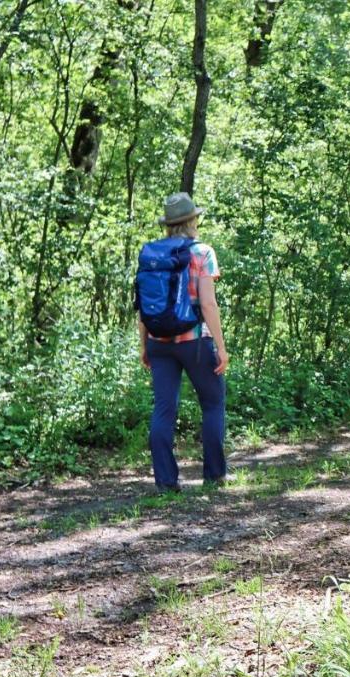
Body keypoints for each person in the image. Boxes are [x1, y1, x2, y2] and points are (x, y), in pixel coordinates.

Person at [138, 192, 230, 493]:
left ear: (168, 224)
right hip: (194, 342)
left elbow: (144, 306)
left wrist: (144, 346)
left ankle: (166, 483)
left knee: (164, 408)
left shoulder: (150, 254)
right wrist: (221, 347)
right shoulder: (202, 252)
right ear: (192, 220)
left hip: (158, 341)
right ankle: (214, 476)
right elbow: (208, 304)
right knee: (213, 402)